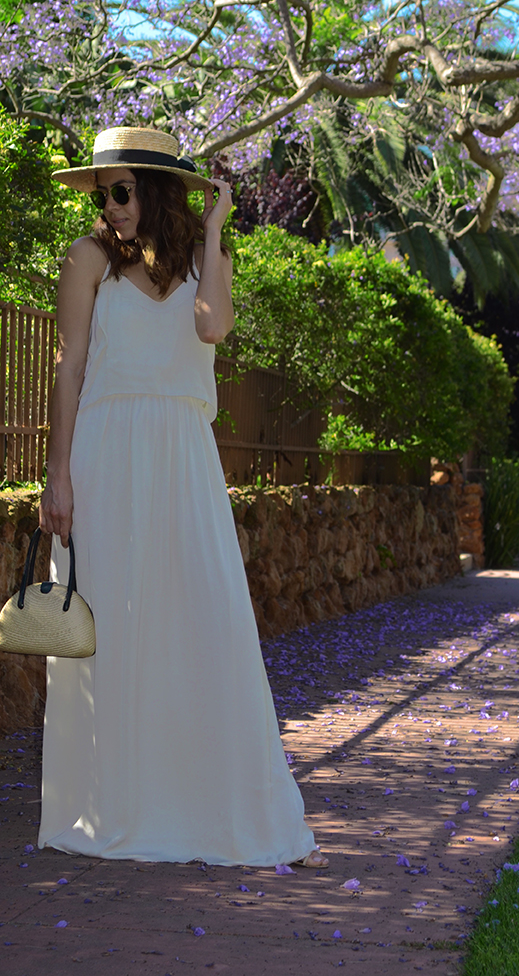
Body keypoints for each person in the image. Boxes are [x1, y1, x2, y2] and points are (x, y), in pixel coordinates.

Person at [37, 126, 326, 868]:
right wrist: (57, 472)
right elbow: (68, 370)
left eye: (124, 190)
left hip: (184, 457)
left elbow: (213, 326)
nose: (112, 206)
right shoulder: (88, 261)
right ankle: (113, 807)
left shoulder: (204, 259)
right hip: (106, 455)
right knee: (115, 626)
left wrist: (218, 231)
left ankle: (209, 807)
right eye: (104, 193)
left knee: (207, 617)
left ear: (159, 190)